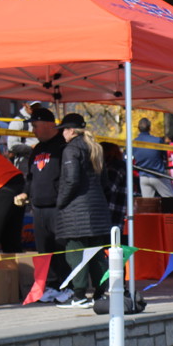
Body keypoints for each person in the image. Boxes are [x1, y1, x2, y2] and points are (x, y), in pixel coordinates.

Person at [14, 107, 72, 303]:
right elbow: (30, 177)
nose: (33, 131)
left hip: (57, 207)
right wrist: (25, 192)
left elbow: (68, 177)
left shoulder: (63, 147)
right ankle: (51, 285)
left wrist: (62, 200)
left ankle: (67, 286)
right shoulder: (37, 149)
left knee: (61, 248)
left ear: (48, 125)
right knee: (44, 250)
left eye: (36, 126)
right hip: (38, 207)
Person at [54, 113, 111, 309]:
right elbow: (105, 183)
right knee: (97, 254)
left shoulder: (71, 149)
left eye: (63, 130)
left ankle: (79, 295)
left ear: (71, 131)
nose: (62, 133)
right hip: (97, 210)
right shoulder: (95, 148)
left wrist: (60, 202)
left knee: (75, 253)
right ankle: (100, 294)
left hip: (76, 211)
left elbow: (72, 180)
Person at [134, 118, 173, 197]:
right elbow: (165, 156)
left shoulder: (134, 142)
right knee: (170, 200)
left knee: (147, 202)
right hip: (157, 174)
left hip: (143, 176)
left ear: (138, 128)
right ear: (150, 128)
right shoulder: (157, 140)